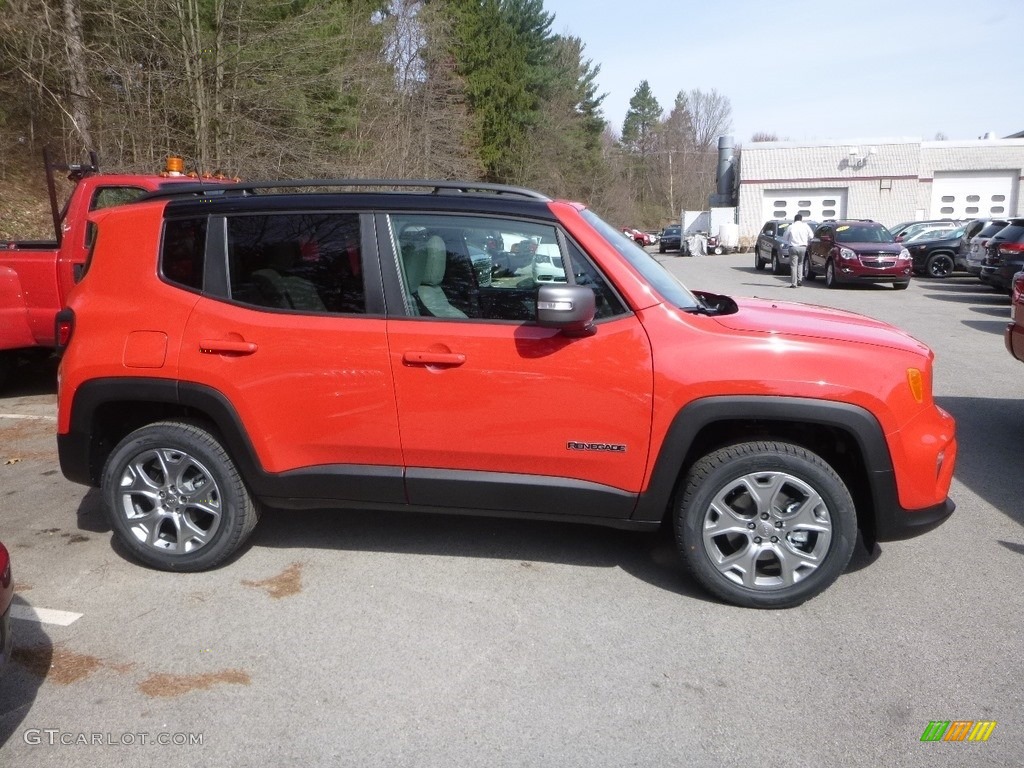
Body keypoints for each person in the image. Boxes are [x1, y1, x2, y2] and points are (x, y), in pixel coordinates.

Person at [783, 214, 814, 288]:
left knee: (793, 266)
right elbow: (811, 236)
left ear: (794, 219)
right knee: (800, 263)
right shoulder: (805, 226)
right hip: (803, 247)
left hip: (793, 247)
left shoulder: (791, 226)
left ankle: (794, 283)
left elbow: (785, 238)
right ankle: (799, 279)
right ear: (801, 219)